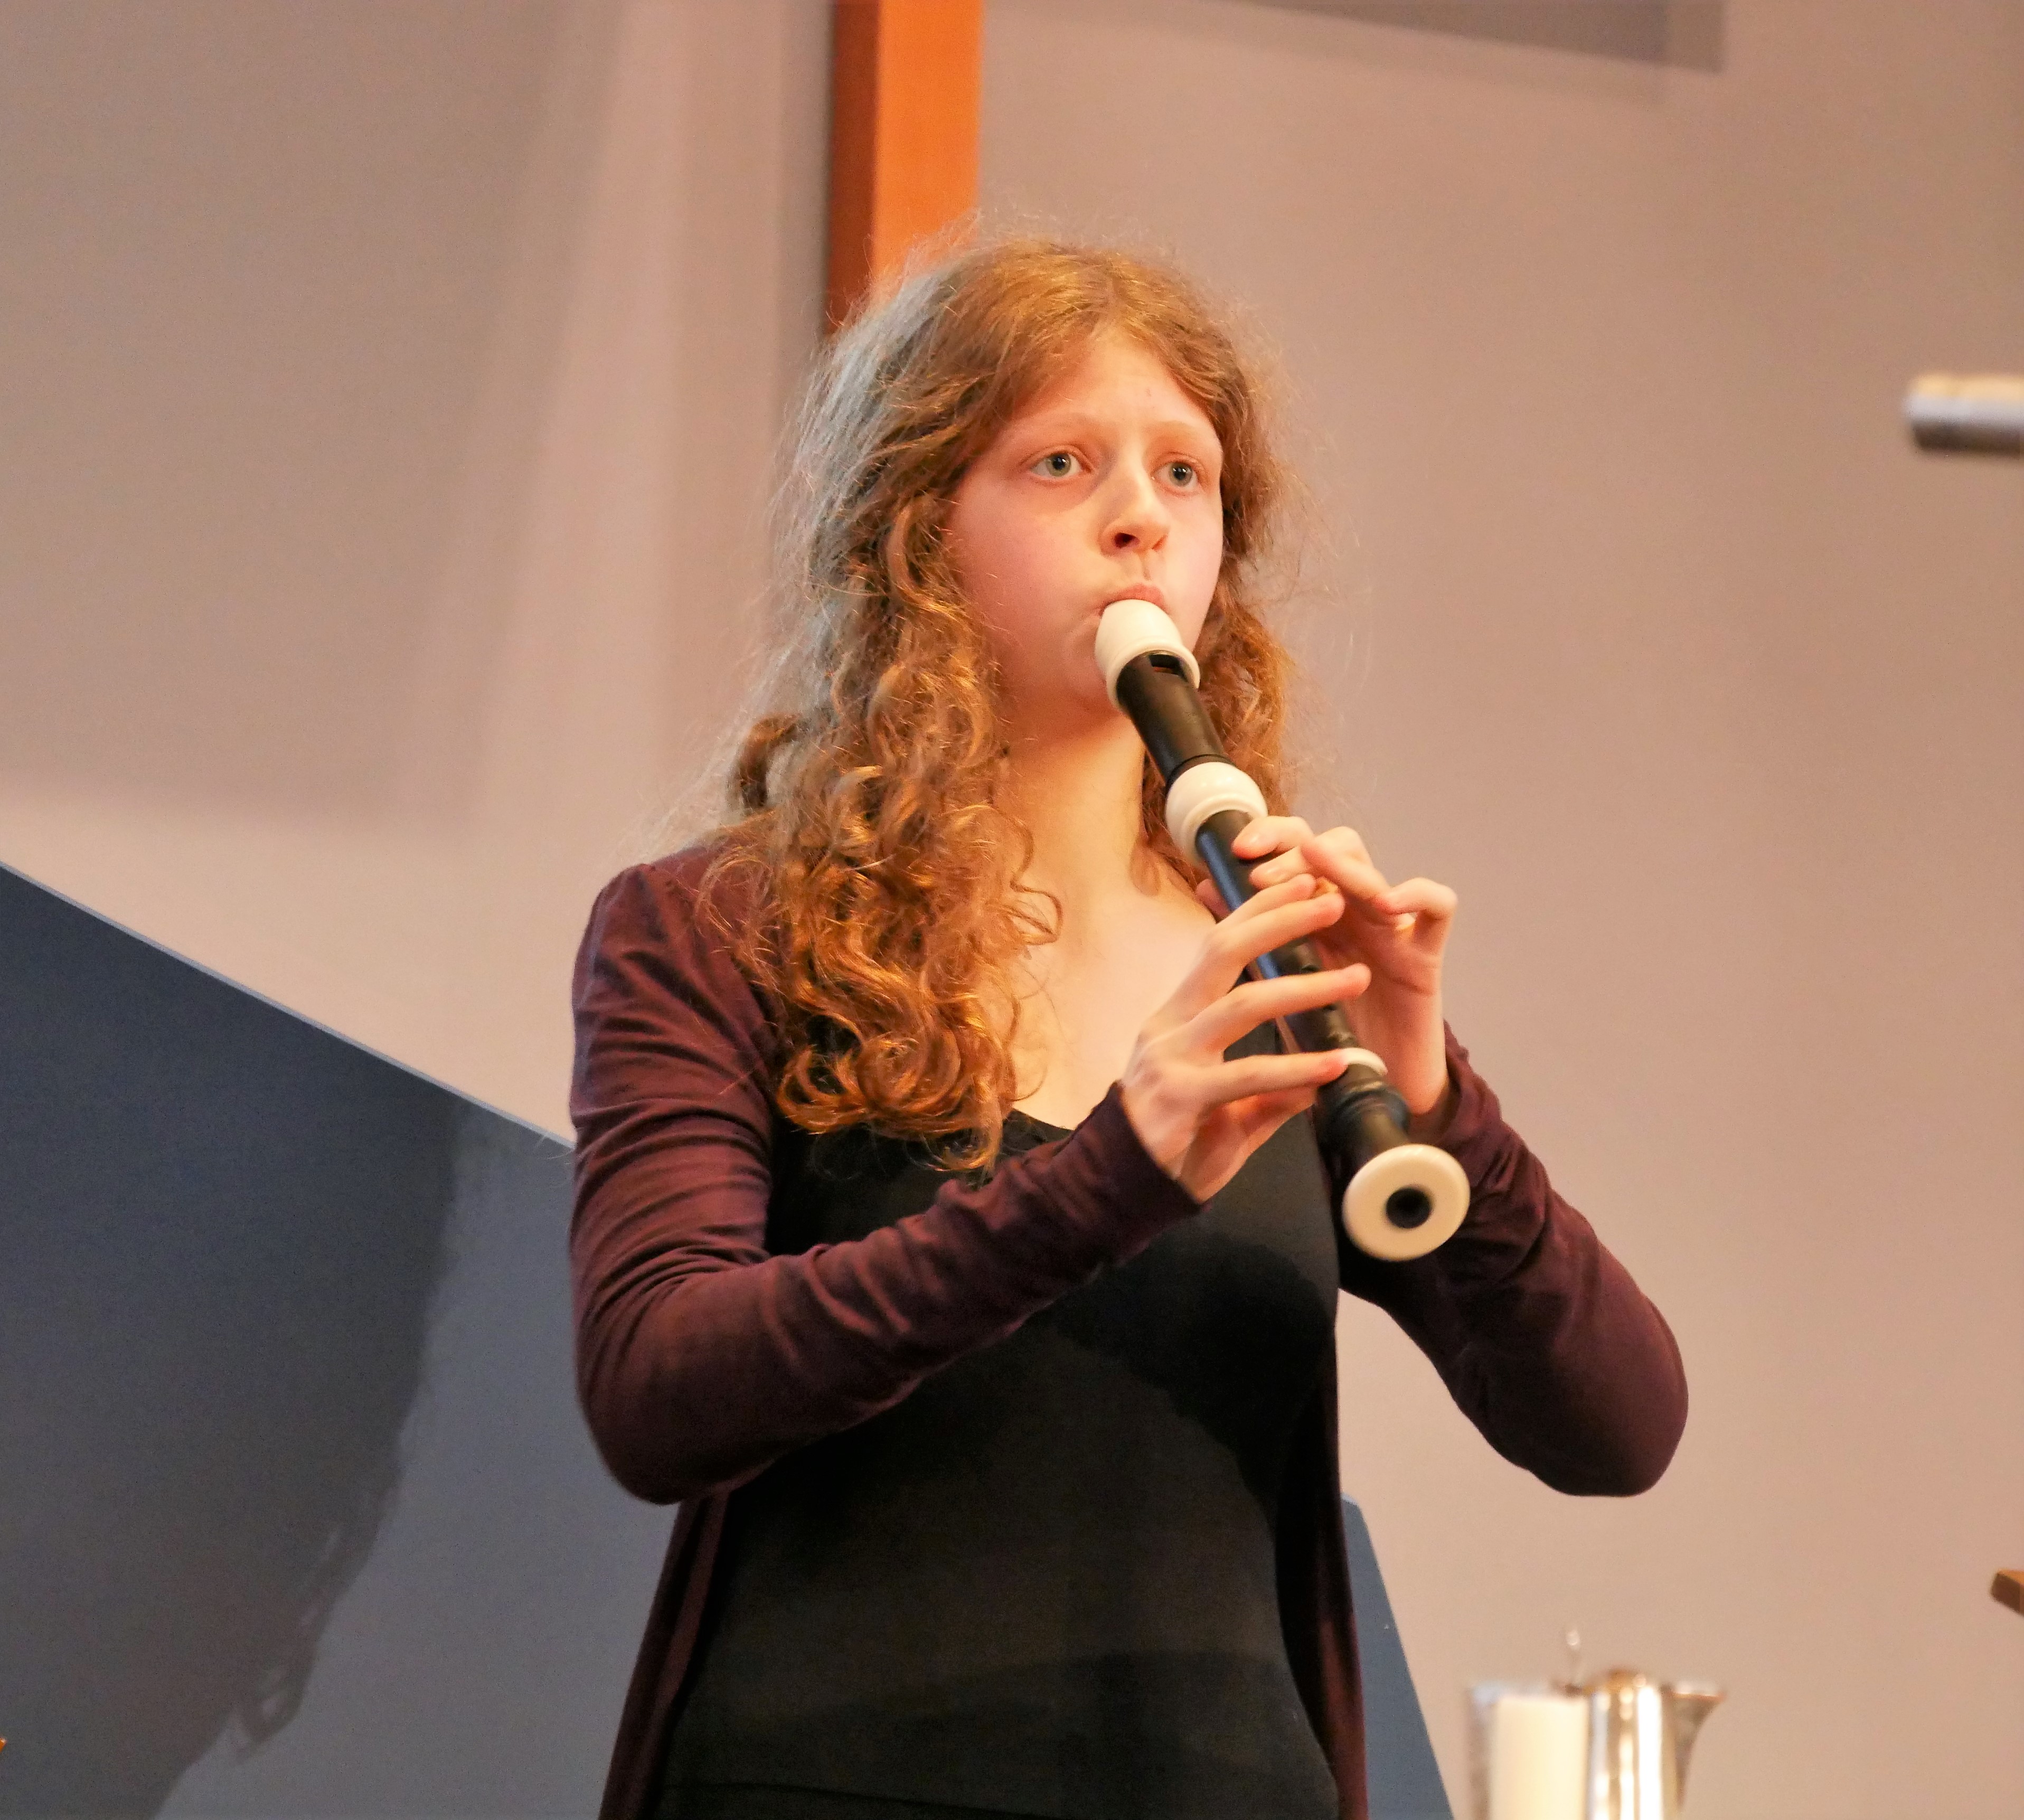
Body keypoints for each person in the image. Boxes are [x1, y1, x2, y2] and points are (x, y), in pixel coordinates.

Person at [569, 239, 1687, 1820]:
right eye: (1061, 464)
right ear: (914, 528)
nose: (1139, 519)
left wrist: (1435, 1098)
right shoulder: (717, 929)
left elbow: (1618, 1427)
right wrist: (1108, 1177)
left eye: (1185, 474)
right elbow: (656, 1388)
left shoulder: (1274, 970)